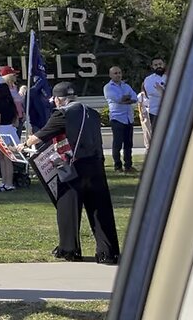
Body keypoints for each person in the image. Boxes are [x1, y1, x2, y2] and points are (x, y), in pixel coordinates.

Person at [25, 82, 121, 265]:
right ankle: (108, 253)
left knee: (67, 207)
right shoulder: (91, 113)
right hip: (96, 165)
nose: (54, 102)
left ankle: (69, 249)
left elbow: (41, 136)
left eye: (54, 98)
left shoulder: (62, 113)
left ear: (59, 99)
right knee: (100, 210)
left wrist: (25, 143)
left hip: (74, 167)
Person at [103, 66, 139, 173]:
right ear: (110, 75)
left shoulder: (126, 86)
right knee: (117, 143)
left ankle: (128, 166)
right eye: (115, 73)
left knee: (128, 144)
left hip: (128, 118)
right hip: (117, 118)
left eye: (119, 72)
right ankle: (117, 166)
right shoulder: (108, 87)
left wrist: (125, 99)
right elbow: (118, 99)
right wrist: (126, 99)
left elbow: (135, 98)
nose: (118, 75)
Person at [143, 57, 167, 124]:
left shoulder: (171, 77)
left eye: (160, 64)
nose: (158, 66)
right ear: (152, 66)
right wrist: (165, 92)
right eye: (156, 65)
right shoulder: (148, 79)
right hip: (155, 112)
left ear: (164, 64)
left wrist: (161, 90)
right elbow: (152, 92)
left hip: (170, 111)